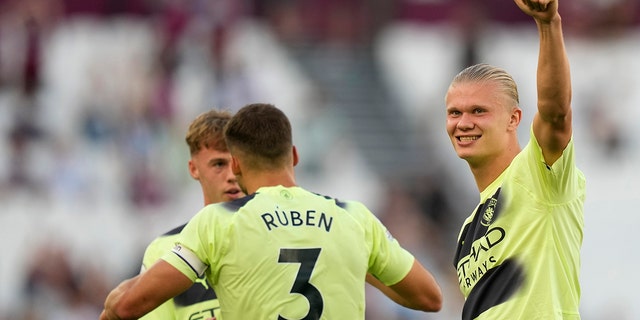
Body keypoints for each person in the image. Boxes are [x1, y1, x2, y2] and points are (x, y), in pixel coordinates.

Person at [100, 103, 443, 320]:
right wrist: (359, 264)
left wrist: (116, 302)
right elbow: (430, 298)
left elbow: (130, 306)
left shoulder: (220, 223)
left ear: (236, 164)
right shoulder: (353, 217)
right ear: (294, 155)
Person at [446, 0, 585, 319]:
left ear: (513, 119)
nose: (463, 122)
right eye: (455, 112)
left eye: (479, 111)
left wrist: (549, 24)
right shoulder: (467, 231)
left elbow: (555, 114)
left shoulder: (538, 174)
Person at [139, 109, 244, 320]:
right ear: (194, 169)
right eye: (219, 164)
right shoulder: (163, 249)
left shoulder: (276, 237)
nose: (232, 176)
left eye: (237, 164)